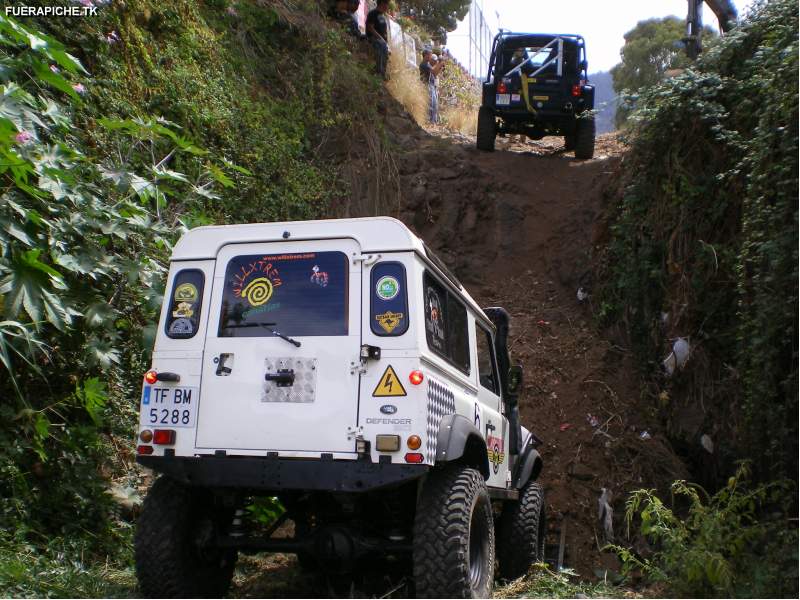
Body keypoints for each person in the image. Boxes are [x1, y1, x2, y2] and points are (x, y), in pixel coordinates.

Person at [419, 49, 445, 124]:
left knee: (434, 105)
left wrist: (440, 67)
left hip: (431, 85)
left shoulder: (427, 64)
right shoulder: (424, 64)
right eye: (430, 55)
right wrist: (439, 63)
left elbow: (435, 74)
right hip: (427, 85)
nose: (430, 56)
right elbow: (433, 72)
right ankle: (430, 122)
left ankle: (432, 121)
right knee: (431, 104)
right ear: (426, 55)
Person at [366, 0, 390, 79]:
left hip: (382, 41)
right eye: (387, 3)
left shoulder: (383, 16)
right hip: (373, 38)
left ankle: (383, 74)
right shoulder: (373, 13)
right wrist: (380, 38)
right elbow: (370, 27)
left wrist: (386, 41)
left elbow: (384, 31)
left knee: (385, 51)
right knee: (380, 45)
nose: (388, 6)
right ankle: (378, 73)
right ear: (382, 3)